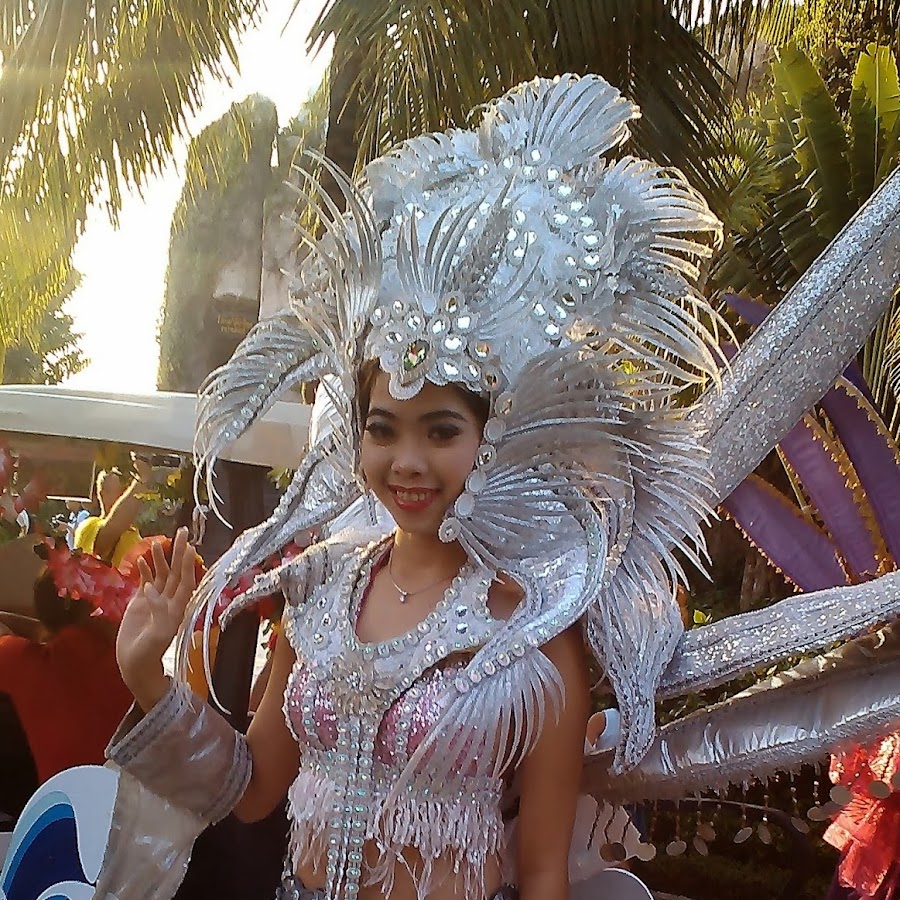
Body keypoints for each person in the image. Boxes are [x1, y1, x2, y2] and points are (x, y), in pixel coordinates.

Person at [89, 74, 900, 900]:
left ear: (493, 438)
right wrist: (149, 676)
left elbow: (542, 874)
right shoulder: (319, 592)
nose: (407, 462)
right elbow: (254, 787)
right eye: (383, 429)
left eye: (441, 432)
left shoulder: (533, 631)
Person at [0, 567, 133, 784]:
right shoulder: (129, 660)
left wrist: (47, 628)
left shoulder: (18, 660)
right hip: (136, 796)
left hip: (61, 800)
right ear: (97, 609)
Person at [75, 456, 152, 567]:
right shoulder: (88, 526)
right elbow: (109, 535)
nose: (128, 496)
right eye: (123, 492)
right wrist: (141, 479)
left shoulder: (133, 534)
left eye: (128, 491)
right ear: (102, 494)